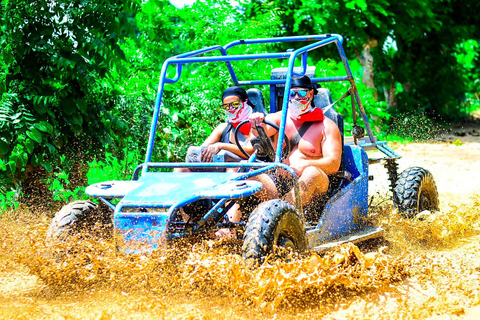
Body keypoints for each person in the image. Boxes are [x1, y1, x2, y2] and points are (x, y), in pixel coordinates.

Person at [248, 75, 343, 208]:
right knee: (245, 174)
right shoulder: (278, 119)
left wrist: (305, 164)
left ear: (311, 94)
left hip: (313, 183)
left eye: (302, 93)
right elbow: (261, 131)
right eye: (292, 94)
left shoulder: (327, 126)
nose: (296, 98)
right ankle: (227, 226)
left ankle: (281, 215)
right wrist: (256, 122)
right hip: (279, 181)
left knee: (311, 173)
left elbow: (334, 164)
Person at [174, 86, 254, 173]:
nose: (231, 109)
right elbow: (203, 150)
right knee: (180, 168)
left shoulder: (255, 126)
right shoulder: (224, 128)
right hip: (220, 173)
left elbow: (249, 152)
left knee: (232, 169)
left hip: (247, 170)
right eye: (227, 107)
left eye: (235, 104)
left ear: (245, 102)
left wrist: (221, 146)